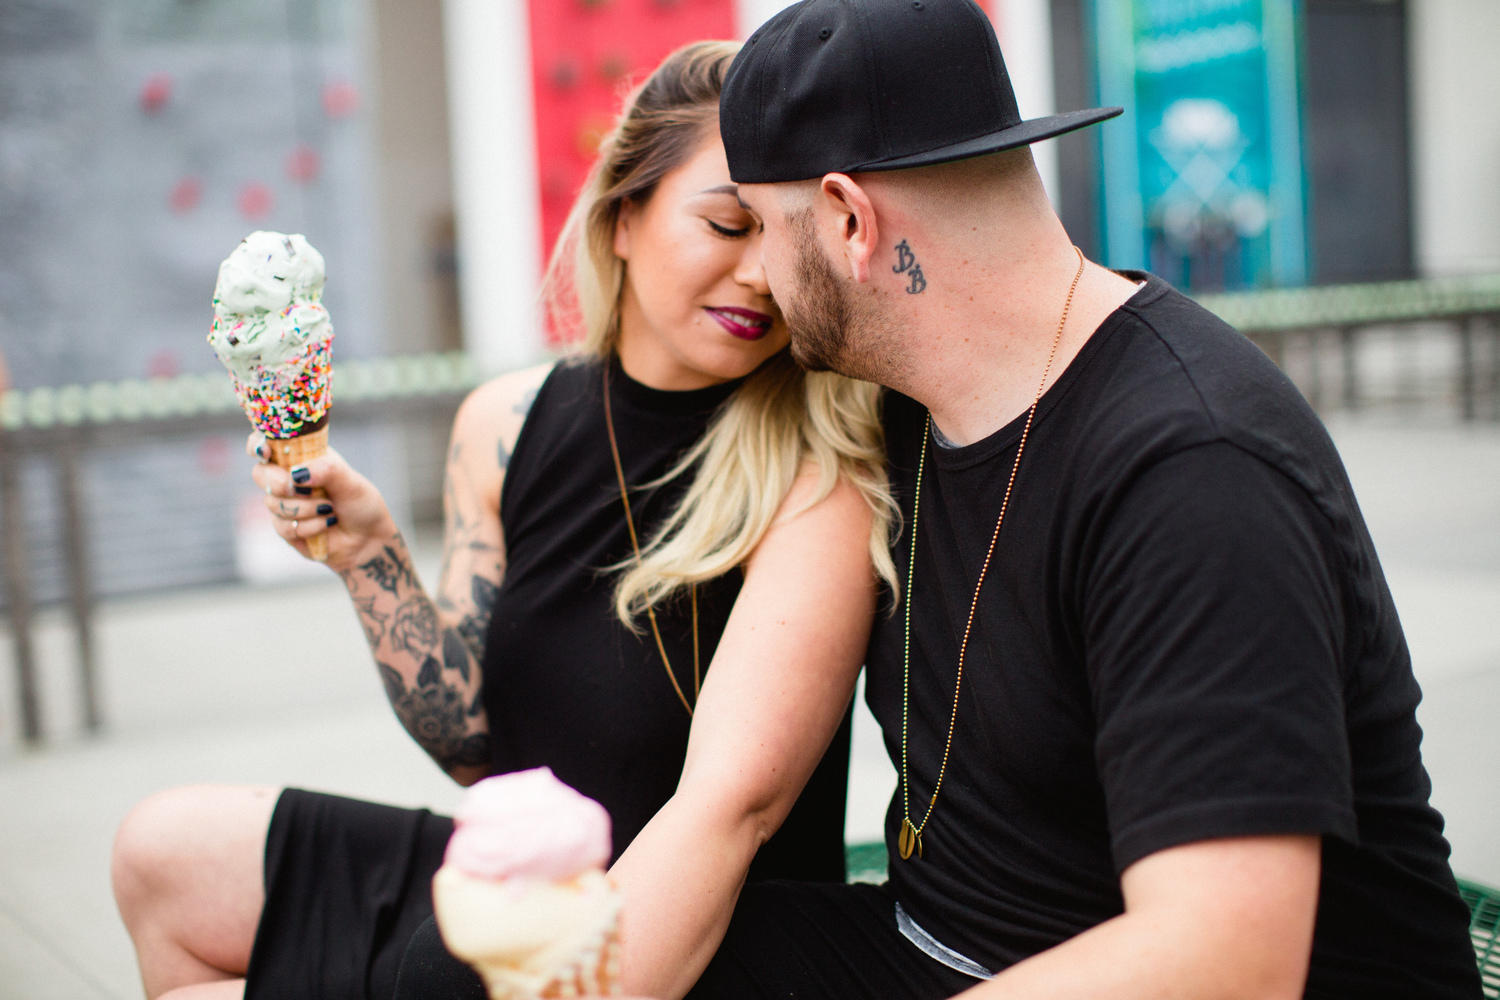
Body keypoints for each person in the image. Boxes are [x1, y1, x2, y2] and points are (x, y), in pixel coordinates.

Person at [624, 2, 1478, 998]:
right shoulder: (905, 406)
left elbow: (1226, 959)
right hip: (947, 951)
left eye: (763, 228)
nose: (761, 278)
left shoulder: (1193, 465)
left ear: (852, 220)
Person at [111, 41, 894, 1000]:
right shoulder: (506, 422)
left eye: (781, 238)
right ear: (620, 216)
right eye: (727, 225)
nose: (761, 277)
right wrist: (370, 559)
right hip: (523, 878)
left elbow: (731, 813)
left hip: (678, 923)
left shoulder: (820, 471)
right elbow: (476, 748)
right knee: (162, 854)